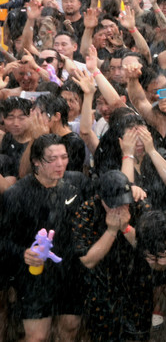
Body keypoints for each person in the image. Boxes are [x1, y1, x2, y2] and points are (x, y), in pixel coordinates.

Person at [1, 135, 88, 342]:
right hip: (35, 276)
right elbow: (3, 240)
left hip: (69, 272)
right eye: (52, 159)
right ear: (36, 162)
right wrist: (22, 253)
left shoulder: (77, 183)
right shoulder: (16, 195)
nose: (60, 164)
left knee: (69, 329)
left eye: (64, 157)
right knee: (37, 337)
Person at [69, 170, 154, 342]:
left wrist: (126, 228)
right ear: (101, 198)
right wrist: (111, 231)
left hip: (137, 286)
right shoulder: (88, 210)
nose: (119, 209)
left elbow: (150, 251)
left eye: (124, 203)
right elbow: (88, 260)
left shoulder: (140, 205)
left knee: (139, 336)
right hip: (101, 290)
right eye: (113, 204)